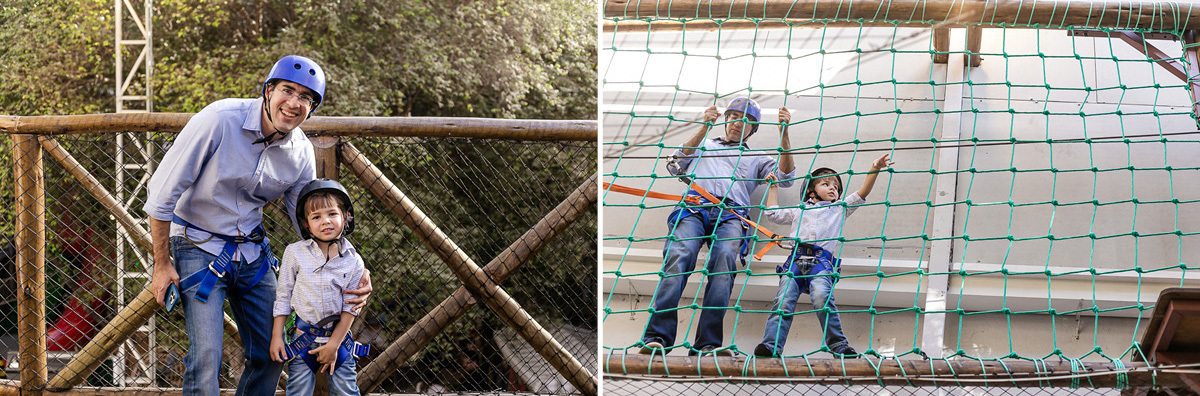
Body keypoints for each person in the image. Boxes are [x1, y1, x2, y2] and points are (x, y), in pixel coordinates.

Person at [144, 55, 372, 396]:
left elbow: (310, 222)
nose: (294, 103)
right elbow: (162, 194)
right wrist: (161, 264)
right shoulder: (218, 120)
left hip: (252, 253)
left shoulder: (301, 152)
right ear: (268, 90)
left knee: (273, 352)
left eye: (306, 98)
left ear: (312, 108)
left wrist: (352, 264)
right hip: (196, 245)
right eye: (287, 90)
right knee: (207, 357)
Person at [639, 97, 797, 356]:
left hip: (732, 215)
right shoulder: (705, 145)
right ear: (726, 120)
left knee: (724, 264)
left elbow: (787, 178)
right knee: (679, 257)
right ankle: (657, 338)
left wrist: (785, 133)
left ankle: (707, 344)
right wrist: (704, 126)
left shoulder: (757, 157)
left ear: (752, 129)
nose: (737, 122)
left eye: (745, 120)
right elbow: (674, 163)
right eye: (733, 116)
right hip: (693, 207)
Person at [752, 154, 894, 358]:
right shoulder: (799, 211)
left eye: (835, 187)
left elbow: (861, 194)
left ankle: (838, 345)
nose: (832, 188)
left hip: (821, 263)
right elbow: (772, 213)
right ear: (811, 191)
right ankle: (771, 345)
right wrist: (773, 187)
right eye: (826, 184)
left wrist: (875, 168)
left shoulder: (839, 209)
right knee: (783, 301)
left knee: (822, 298)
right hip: (795, 261)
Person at [271, 179, 368, 396]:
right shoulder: (294, 253)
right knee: (297, 392)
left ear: (346, 217)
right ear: (306, 224)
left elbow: (351, 307)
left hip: (339, 338)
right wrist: (277, 335)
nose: (325, 221)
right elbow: (283, 296)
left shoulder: (354, 262)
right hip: (302, 338)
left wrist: (334, 345)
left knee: (346, 391)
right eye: (316, 217)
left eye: (332, 214)